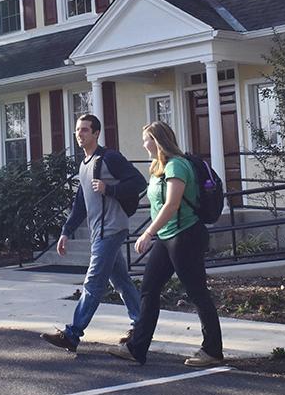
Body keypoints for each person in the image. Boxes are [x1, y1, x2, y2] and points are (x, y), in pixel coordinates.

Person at [108, 120, 223, 367]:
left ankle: (212, 350)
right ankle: (136, 347)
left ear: (158, 141)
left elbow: (172, 204)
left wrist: (148, 233)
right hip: (167, 236)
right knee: (149, 290)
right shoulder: (158, 167)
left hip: (186, 235)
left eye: (147, 138)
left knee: (197, 292)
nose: (143, 144)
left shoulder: (177, 166)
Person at [40, 114, 146, 353]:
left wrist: (110, 189)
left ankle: (72, 334)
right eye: (78, 130)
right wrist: (66, 231)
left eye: (85, 130)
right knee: (120, 281)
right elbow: (80, 203)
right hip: (98, 231)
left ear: (96, 133)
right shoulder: (84, 164)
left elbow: (139, 183)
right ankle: (141, 325)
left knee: (93, 283)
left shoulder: (110, 158)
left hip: (112, 228)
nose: (80, 134)